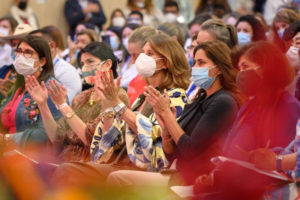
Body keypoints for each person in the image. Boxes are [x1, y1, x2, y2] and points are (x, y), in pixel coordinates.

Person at [51, 31, 191, 187]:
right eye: (142, 52)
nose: (141, 58)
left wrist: (117, 103)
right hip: (120, 161)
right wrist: (107, 103)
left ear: (166, 61)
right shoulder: (142, 98)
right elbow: (111, 140)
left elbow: (154, 138)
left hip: (144, 168)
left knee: (68, 171)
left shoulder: (176, 95)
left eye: (149, 53)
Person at [107, 40, 241, 186]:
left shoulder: (223, 101)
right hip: (172, 170)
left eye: (201, 63)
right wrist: (165, 130)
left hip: (193, 179)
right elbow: (170, 152)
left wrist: (166, 114)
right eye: (195, 62)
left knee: (116, 179)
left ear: (219, 68)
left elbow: (191, 149)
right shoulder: (200, 98)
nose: (195, 68)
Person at [196, 41, 300, 199]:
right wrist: (215, 176)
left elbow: (286, 165)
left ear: (265, 68)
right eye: (239, 68)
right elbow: (231, 150)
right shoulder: (248, 107)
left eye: (245, 67)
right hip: (234, 189)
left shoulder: (287, 107)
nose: (241, 74)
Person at [25, 41, 127, 162]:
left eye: (90, 62)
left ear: (107, 64)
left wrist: (63, 105)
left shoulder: (118, 96)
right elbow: (56, 138)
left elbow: (92, 141)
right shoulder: (82, 97)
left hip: (90, 162)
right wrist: (43, 105)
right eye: (82, 64)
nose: (84, 68)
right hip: (65, 158)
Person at [0, 35, 61, 148]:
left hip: (32, 156)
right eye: (19, 51)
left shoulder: (51, 88)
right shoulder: (19, 86)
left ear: (42, 61)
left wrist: (6, 139)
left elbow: (45, 135)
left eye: (28, 52)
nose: (21, 56)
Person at [30, 29, 82, 103]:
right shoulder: (32, 70)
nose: (32, 51)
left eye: (36, 46)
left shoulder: (67, 72)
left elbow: (66, 106)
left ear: (51, 46)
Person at [126, 26, 156, 105]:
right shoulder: (135, 81)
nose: (133, 61)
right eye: (131, 55)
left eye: (135, 55)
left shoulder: (165, 84)